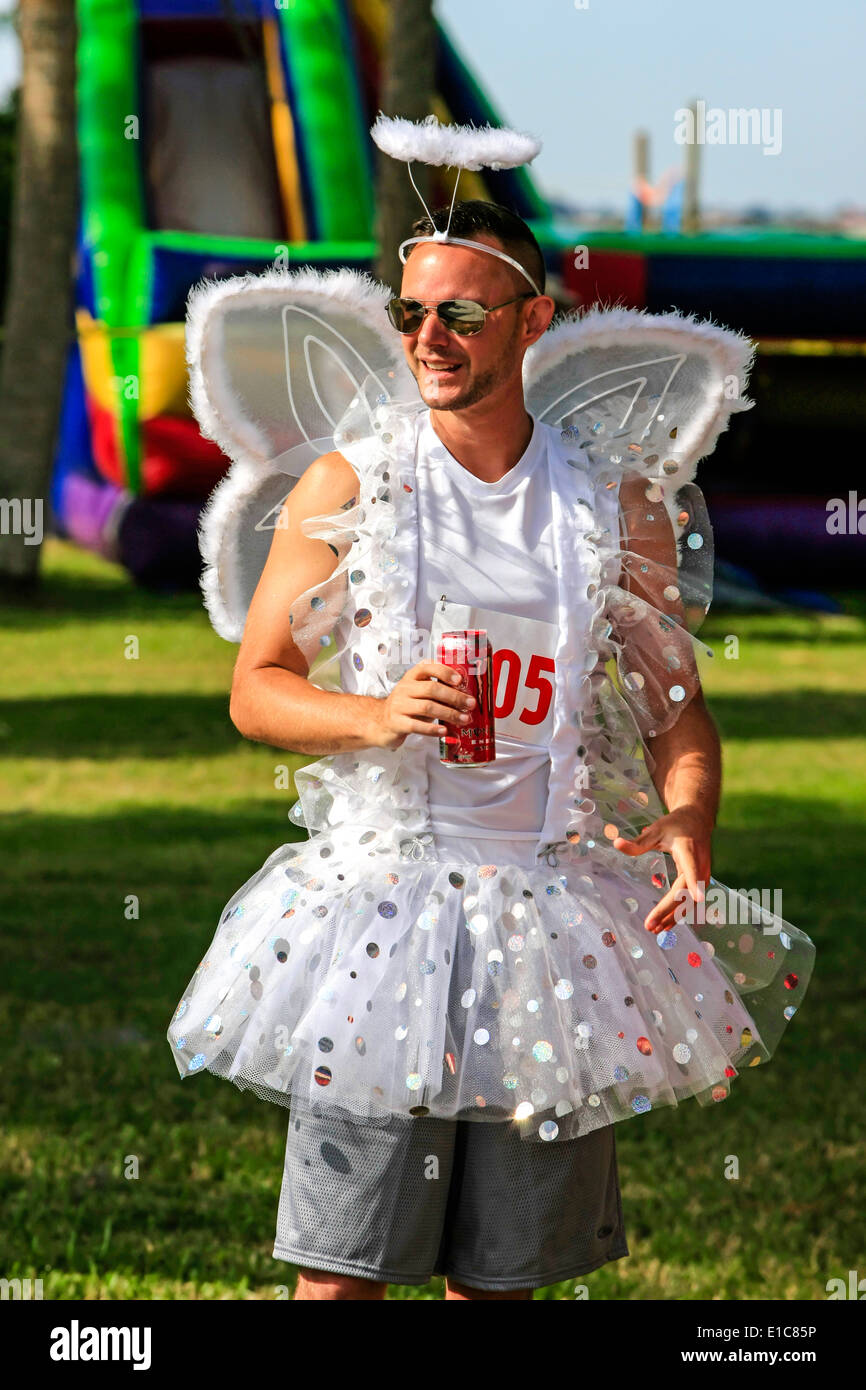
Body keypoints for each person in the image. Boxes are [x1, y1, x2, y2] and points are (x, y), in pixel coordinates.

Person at [224, 200, 720, 1300]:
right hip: (381, 915)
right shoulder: (351, 484)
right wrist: (374, 714)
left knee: (501, 1278)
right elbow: (256, 688)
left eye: (458, 313)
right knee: (342, 1270)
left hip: (549, 927)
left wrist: (687, 819)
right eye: (410, 312)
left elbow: (674, 710)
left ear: (531, 317)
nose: (425, 339)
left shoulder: (609, 505)